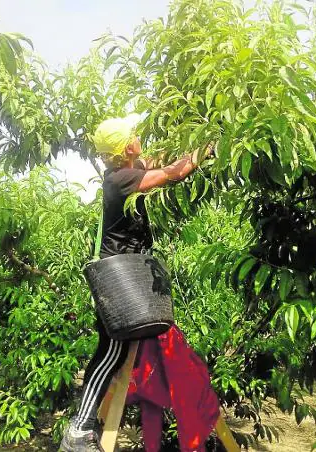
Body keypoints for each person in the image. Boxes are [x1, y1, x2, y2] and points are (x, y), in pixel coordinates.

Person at [59, 114, 213, 452]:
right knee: (111, 351)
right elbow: (173, 173)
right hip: (119, 278)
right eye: (134, 135)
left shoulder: (130, 166)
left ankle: (85, 425)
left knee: (115, 350)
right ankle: (79, 430)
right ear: (127, 147)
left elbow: (161, 160)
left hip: (130, 273)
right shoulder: (121, 179)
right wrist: (210, 147)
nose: (139, 136)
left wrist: (191, 136)